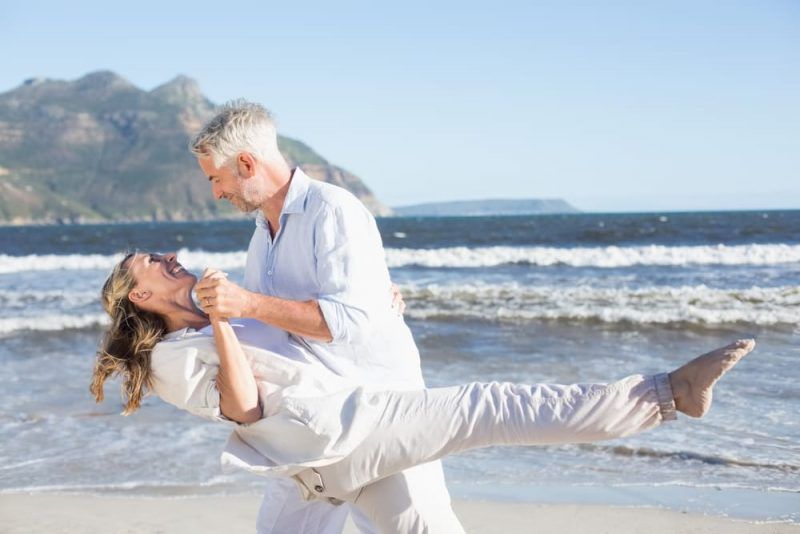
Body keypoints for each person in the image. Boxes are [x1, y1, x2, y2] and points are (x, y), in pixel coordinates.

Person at [91, 251, 754, 534]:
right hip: (348, 431)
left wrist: (374, 313)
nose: (171, 258)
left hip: (336, 453)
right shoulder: (169, 361)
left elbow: (311, 334)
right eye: (155, 263)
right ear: (141, 294)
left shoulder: (224, 318)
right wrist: (224, 320)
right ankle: (668, 394)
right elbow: (243, 407)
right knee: (490, 407)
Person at [188, 100, 458, 533]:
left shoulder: (332, 209)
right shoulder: (261, 236)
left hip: (383, 414)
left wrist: (246, 302)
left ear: (246, 164)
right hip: (311, 423)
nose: (216, 193)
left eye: (216, 178)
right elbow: (266, 331)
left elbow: (346, 321)